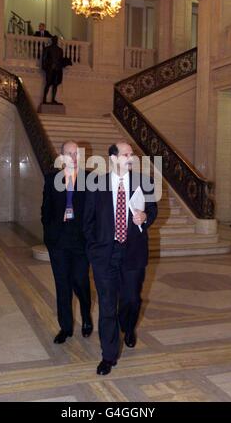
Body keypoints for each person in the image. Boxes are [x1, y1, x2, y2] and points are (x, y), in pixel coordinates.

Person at [84, 141, 158, 375]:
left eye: (132, 154)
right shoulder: (96, 183)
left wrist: (145, 217)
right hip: (105, 254)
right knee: (107, 306)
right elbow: (88, 220)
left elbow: (153, 210)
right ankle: (108, 355)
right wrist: (93, 250)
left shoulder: (143, 182)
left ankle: (129, 327)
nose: (131, 157)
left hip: (133, 252)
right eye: (126, 154)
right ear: (113, 158)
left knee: (131, 300)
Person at [41, 141, 93, 344]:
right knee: (62, 284)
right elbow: (45, 210)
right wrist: (49, 234)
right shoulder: (51, 179)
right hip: (59, 241)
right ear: (61, 157)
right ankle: (66, 327)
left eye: (76, 154)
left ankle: (86, 316)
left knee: (80, 281)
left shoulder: (90, 179)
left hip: (80, 242)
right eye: (68, 153)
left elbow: (95, 212)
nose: (72, 157)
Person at [41, 35, 64, 104]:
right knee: (48, 84)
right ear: (52, 40)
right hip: (50, 69)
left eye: (56, 40)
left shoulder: (60, 50)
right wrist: (44, 67)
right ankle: (44, 98)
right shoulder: (47, 49)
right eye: (54, 39)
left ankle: (53, 99)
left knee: (55, 84)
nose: (55, 41)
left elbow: (60, 60)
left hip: (57, 69)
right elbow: (44, 59)